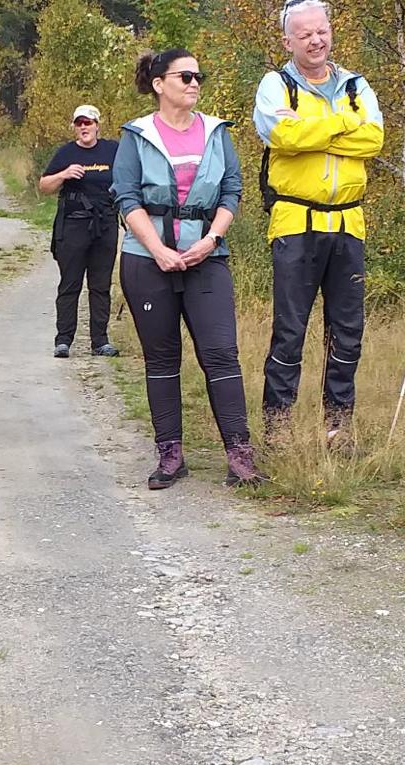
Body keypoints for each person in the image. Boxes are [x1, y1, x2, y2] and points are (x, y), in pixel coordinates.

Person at [113, 49, 259, 489]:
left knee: (221, 353)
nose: (195, 83)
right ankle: (170, 455)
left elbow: (232, 190)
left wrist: (211, 239)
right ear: (159, 84)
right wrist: (158, 249)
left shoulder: (216, 132)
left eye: (199, 76)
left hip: (206, 259)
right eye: (185, 76)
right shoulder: (136, 135)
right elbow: (127, 197)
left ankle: (240, 456)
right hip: (147, 261)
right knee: (161, 358)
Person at [253, 0, 385, 451]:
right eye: (305, 33)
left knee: (347, 331)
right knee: (290, 330)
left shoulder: (355, 86)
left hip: (349, 222)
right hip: (295, 220)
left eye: (322, 30)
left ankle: (338, 428)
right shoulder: (275, 85)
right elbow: (280, 134)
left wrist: (313, 129)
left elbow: (374, 139)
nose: (315, 40)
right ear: (287, 41)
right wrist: (342, 125)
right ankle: (278, 429)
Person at [41, 103, 121, 359]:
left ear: (97, 125)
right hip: (74, 225)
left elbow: (129, 179)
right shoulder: (66, 153)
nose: (84, 127)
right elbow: (44, 186)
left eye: (88, 122)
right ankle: (63, 340)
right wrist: (63, 174)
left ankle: (100, 341)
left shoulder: (113, 150)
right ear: (74, 127)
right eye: (79, 123)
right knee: (70, 284)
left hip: (105, 224)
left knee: (100, 285)